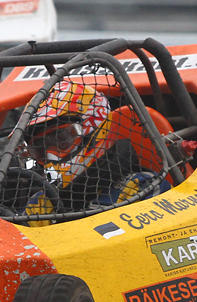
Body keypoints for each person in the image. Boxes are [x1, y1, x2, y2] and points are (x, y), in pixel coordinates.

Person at [19, 80, 166, 223]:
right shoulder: (39, 205)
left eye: (61, 140)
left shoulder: (141, 186)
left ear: (92, 129)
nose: (51, 155)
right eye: (40, 149)